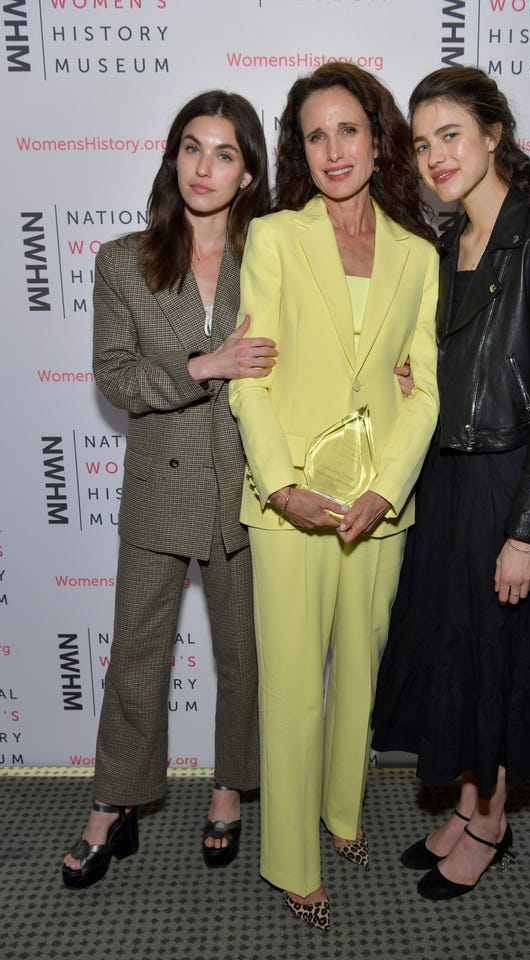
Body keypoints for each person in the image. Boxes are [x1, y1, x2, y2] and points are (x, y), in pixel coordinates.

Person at [372, 65, 530, 901]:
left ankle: (493, 825)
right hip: (444, 484)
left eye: (450, 136)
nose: (434, 157)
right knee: (454, 656)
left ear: (494, 134)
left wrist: (527, 531)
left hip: (505, 488)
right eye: (423, 144)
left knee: (499, 661)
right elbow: (449, 367)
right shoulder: (441, 243)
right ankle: (466, 805)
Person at [228, 63, 440, 930]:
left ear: (376, 135)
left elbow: (422, 389)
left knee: (358, 674)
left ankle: (344, 812)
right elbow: (251, 378)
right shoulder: (275, 237)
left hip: (374, 511)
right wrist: (279, 486)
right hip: (292, 507)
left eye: (348, 128)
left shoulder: (419, 255)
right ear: (299, 151)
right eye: (315, 135)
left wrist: (385, 493)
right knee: (291, 687)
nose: (333, 149)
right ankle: (291, 859)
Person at [62, 90, 276, 888]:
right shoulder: (123, 259)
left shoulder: (278, 256)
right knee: (137, 660)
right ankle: (112, 805)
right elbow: (116, 377)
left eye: (225, 153)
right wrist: (205, 367)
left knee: (243, 658)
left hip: (253, 492)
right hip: (160, 490)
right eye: (192, 147)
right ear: (172, 156)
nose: (205, 166)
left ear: (249, 172)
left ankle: (229, 787)